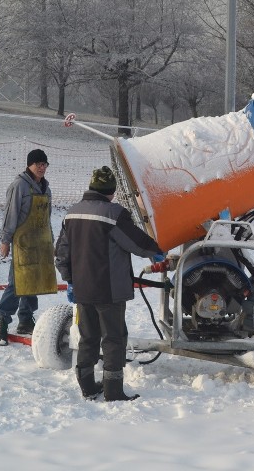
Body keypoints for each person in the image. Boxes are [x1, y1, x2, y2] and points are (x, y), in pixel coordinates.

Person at [55, 166, 164, 401]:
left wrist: (71, 280)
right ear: (111, 191)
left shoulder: (72, 213)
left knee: (88, 337)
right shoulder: (114, 214)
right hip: (109, 291)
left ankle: (87, 386)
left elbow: (62, 253)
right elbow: (135, 242)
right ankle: (113, 391)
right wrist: (155, 252)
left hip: (83, 290)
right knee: (114, 339)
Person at [0, 148, 55, 346]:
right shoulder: (19, 185)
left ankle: (25, 320)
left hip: (40, 243)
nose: (41, 167)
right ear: (29, 164)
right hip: (22, 243)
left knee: (34, 281)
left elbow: (47, 219)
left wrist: (50, 241)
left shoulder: (46, 188)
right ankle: (2, 321)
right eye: (38, 163)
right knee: (17, 283)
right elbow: (9, 215)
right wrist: (5, 241)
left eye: (44, 164)